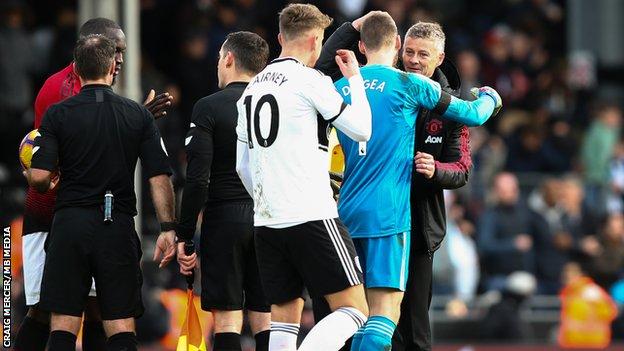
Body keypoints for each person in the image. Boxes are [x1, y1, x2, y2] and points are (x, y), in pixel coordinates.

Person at [332, 13, 500, 351]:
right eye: (409, 51)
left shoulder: (339, 88)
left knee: (349, 315)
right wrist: (491, 97)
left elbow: (461, 169)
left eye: (423, 54)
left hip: (347, 214)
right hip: (392, 216)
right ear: (397, 46)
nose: (414, 59)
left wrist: (436, 170)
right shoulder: (413, 86)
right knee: (386, 315)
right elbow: (476, 114)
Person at [15, 17, 172, 351]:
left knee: (94, 311)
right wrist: (136, 120)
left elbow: (88, 132)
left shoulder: (83, 101)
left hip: (75, 216)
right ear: (95, 47)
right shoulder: (59, 91)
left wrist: (135, 118)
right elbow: (82, 143)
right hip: (50, 214)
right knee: (45, 311)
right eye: (116, 51)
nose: (120, 60)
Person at [236, 4, 373, 351]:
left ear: (281, 38)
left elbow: (242, 165)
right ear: (316, 41)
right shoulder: (310, 80)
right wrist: (355, 79)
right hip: (311, 214)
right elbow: (361, 129)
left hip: (266, 221)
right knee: (355, 309)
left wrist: (269, 202)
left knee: (284, 317)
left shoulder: (250, 89)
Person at [175, 31, 271, 351]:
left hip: (224, 218)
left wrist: (185, 236)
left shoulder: (209, 107)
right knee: (265, 315)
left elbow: (197, 178)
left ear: (228, 59)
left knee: (228, 318)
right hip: (270, 216)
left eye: (219, 58)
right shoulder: (278, 105)